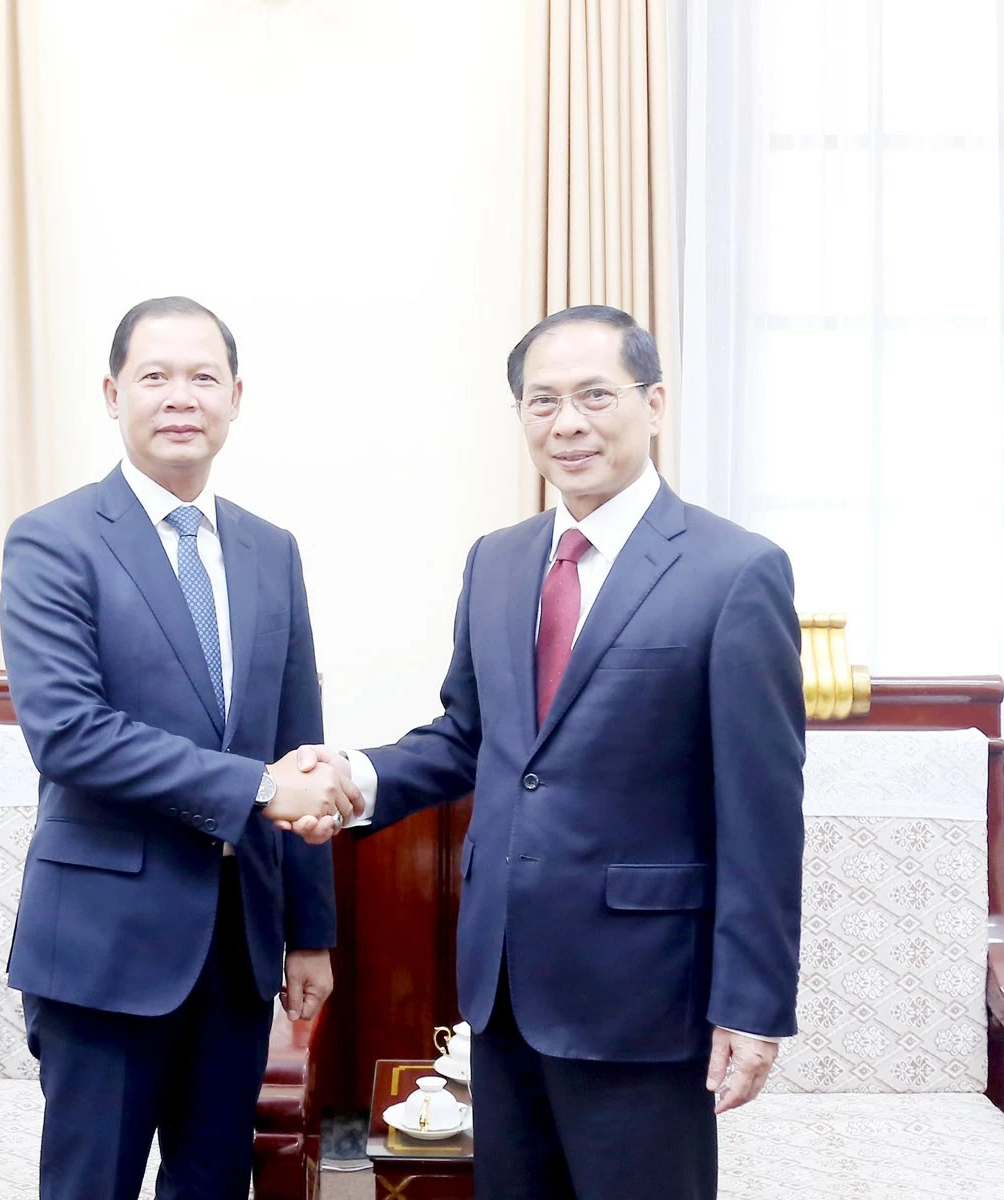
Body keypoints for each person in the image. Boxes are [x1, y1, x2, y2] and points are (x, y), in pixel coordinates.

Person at [302, 306, 805, 1199]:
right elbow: (469, 737)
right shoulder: (497, 561)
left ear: (654, 404)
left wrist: (753, 1005)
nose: (567, 423)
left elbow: (762, 812)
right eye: (543, 401)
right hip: (502, 987)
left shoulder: (735, 571)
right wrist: (354, 777)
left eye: (594, 396)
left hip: (646, 995)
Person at [0, 296, 357, 1200]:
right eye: (154, 376)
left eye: (203, 377)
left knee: (212, 1185)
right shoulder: (53, 541)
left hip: (238, 949)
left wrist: (311, 932)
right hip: (103, 944)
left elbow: (297, 745)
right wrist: (257, 789)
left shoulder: (272, 550)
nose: (180, 397)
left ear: (236, 396)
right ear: (112, 394)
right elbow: (70, 735)